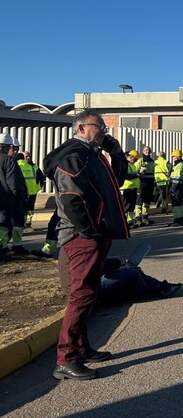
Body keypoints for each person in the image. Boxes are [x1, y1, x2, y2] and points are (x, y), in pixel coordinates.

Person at [42, 110, 130, 380]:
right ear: (81, 128)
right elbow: (71, 198)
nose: (104, 130)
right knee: (81, 295)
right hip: (81, 237)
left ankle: (82, 348)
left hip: (89, 235)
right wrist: (90, 231)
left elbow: (118, 180)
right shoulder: (73, 156)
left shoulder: (92, 154)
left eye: (103, 126)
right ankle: (66, 359)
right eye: (99, 125)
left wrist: (116, 154)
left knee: (86, 293)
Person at [59, 252, 183, 304]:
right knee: (132, 274)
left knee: (132, 269)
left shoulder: (73, 245)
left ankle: (159, 286)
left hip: (90, 281)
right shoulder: (80, 247)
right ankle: (152, 290)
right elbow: (96, 267)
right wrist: (118, 263)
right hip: (89, 287)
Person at [0, 133, 27, 260]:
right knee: (3, 224)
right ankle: (2, 248)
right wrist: (18, 197)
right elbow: (13, 182)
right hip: (7, 199)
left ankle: (8, 246)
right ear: (5, 147)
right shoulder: (8, 161)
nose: (14, 150)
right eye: (12, 147)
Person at [17, 150, 45, 230]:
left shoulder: (34, 166)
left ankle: (28, 224)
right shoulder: (19, 165)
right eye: (26, 156)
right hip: (22, 193)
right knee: (22, 209)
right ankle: (21, 224)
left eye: (29, 156)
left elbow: (41, 177)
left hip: (33, 192)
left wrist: (38, 187)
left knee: (30, 209)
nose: (28, 158)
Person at [135, 146, 156, 226]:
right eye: (146, 150)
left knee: (147, 201)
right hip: (141, 184)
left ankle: (145, 217)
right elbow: (135, 171)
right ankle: (138, 218)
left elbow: (154, 172)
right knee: (139, 201)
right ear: (143, 151)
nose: (147, 151)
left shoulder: (151, 161)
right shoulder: (140, 160)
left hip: (150, 184)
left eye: (148, 150)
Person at [120, 150, 141, 228]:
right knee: (126, 206)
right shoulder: (125, 165)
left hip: (133, 187)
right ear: (130, 157)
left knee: (131, 206)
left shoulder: (133, 165)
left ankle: (130, 221)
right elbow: (125, 176)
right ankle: (124, 222)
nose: (135, 160)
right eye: (134, 158)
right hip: (126, 188)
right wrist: (136, 176)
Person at [168, 149, 183, 227]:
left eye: (173, 156)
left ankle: (177, 219)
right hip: (180, 186)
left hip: (176, 186)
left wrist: (172, 188)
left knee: (176, 204)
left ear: (176, 157)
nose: (172, 158)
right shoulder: (182, 164)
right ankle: (181, 219)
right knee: (179, 204)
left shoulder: (179, 165)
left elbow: (176, 177)